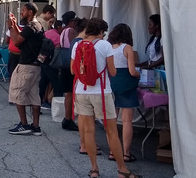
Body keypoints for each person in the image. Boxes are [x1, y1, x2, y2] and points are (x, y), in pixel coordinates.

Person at [72, 18, 139, 178]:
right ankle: (122, 170)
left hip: (82, 91)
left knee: (89, 131)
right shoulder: (105, 45)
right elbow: (113, 72)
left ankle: (94, 169)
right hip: (101, 92)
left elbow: (73, 71)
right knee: (112, 132)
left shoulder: (77, 45)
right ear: (101, 31)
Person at [7, 2, 44, 136]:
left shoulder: (30, 27)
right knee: (34, 95)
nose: (21, 13)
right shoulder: (38, 25)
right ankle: (36, 126)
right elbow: (23, 36)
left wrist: (11, 28)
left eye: (23, 10)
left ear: (30, 12)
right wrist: (16, 25)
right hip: (36, 66)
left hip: (26, 65)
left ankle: (24, 124)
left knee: (17, 93)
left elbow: (16, 42)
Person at [108, 23, 140, 163]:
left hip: (112, 84)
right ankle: (126, 153)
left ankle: (112, 152)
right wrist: (139, 75)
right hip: (127, 85)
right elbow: (132, 71)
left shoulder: (109, 48)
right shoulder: (127, 48)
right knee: (127, 121)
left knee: (112, 120)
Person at [59, 11, 80, 131]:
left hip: (64, 64)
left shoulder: (62, 31)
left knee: (68, 93)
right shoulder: (70, 31)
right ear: (72, 21)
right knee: (70, 93)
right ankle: (68, 118)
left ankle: (67, 118)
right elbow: (74, 45)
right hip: (69, 65)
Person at [39, 5, 59, 109]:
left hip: (42, 56)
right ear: (48, 13)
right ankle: (44, 100)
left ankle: (41, 101)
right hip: (47, 56)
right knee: (47, 80)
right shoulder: (43, 24)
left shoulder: (38, 20)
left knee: (43, 80)